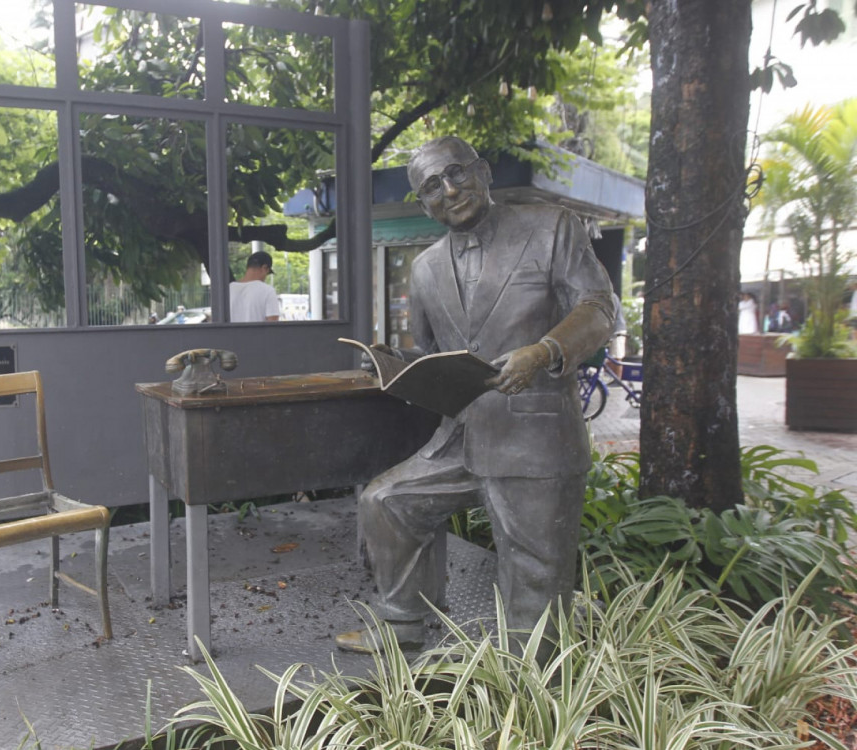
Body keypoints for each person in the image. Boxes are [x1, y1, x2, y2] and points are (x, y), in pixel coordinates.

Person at [335, 136, 615, 656]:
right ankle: (402, 625)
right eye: (431, 187)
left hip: (535, 433)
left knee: (533, 564)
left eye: (456, 172)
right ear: (422, 204)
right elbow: (436, 351)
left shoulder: (551, 227)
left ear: (482, 170)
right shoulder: (425, 269)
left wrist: (546, 350)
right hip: (464, 434)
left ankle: (533, 673)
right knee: (387, 502)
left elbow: (599, 308)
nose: (449, 190)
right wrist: (397, 365)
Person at [229, 250, 280, 322]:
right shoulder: (268, 291)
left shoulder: (229, 289)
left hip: (230, 333)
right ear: (264, 268)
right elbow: (273, 325)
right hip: (258, 333)